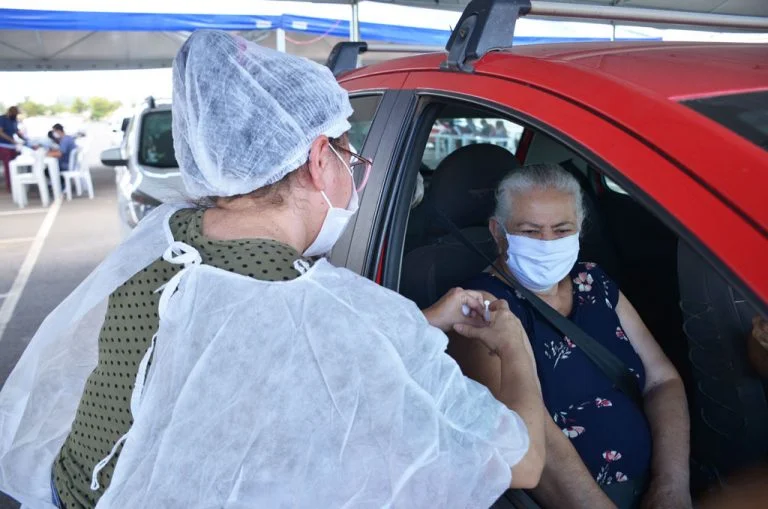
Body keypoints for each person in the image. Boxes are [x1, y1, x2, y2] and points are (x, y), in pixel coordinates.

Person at [0, 31, 547, 509]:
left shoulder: (166, 237)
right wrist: (514, 344)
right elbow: (519, 464)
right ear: (317, 160)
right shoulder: (331, 307)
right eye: (350, 160)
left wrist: (418, 322)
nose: (353, 177)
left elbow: (244, 344)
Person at [451, 163, 692, 509]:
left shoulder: (594, 281)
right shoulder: (481, 310)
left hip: (657, 486)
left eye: (562, 229)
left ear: (580, 228)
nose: (548, 243)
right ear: (497, 231)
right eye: (530, 231)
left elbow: (661, 380)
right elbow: (527, 438)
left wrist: (672, 484)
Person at [0, 106, 29, 191]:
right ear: (10, 112)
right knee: (8, 166)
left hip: (12, 147)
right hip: (3, 146)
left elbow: (17, 132)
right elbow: (0, 132)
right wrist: (11, 140)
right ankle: (10, 187)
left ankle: (16, 184)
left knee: (14, 165)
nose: (16, 115)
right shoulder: (2, 119)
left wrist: (25, 139)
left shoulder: (14, 120)